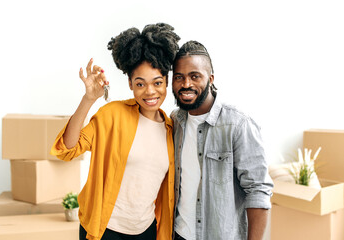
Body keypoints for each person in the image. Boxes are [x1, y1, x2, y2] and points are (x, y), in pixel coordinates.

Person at [50, 23, 180, 240]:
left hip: (146, 230)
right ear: (130, 84)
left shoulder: (172, 128)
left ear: (167, 81)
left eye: (157, 82)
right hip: (105, 228)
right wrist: (89, 99)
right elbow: (67, 149)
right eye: (140, 84)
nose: (150, 91)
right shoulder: (113, 114)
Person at [170, 41, 273, 240]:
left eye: (195, 76)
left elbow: (258, 191)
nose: (186, 84)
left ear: (210, 78)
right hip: (178, 235)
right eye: (179, 77)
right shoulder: (175, 121)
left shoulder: (238, 124)